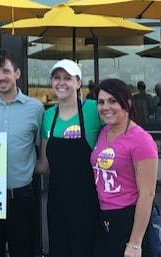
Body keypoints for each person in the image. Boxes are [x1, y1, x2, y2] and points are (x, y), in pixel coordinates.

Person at [0, 49, 44, 257]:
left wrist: (34, 168)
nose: (0, 77)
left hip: (21, 197)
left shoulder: (35, 108)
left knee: (23, 252)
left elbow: (42, 147)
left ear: (17, 73)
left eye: (5, 71)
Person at [36, 59, 103, 257]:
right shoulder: (48, 116)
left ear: (78, 83)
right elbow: (44, 165)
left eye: (67, 78)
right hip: (57, 202)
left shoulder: (93, 109)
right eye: (57, 78)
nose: (61, 82)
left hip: (88, 202)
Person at [91, 78, 158, 257]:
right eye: (101, 102)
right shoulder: (103, 132)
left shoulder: (141, 140)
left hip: (128, 219)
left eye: (113, 101)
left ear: (127, 103)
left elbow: (147, 194)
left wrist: (135, 243)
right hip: (104, 218)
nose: (106, 107)